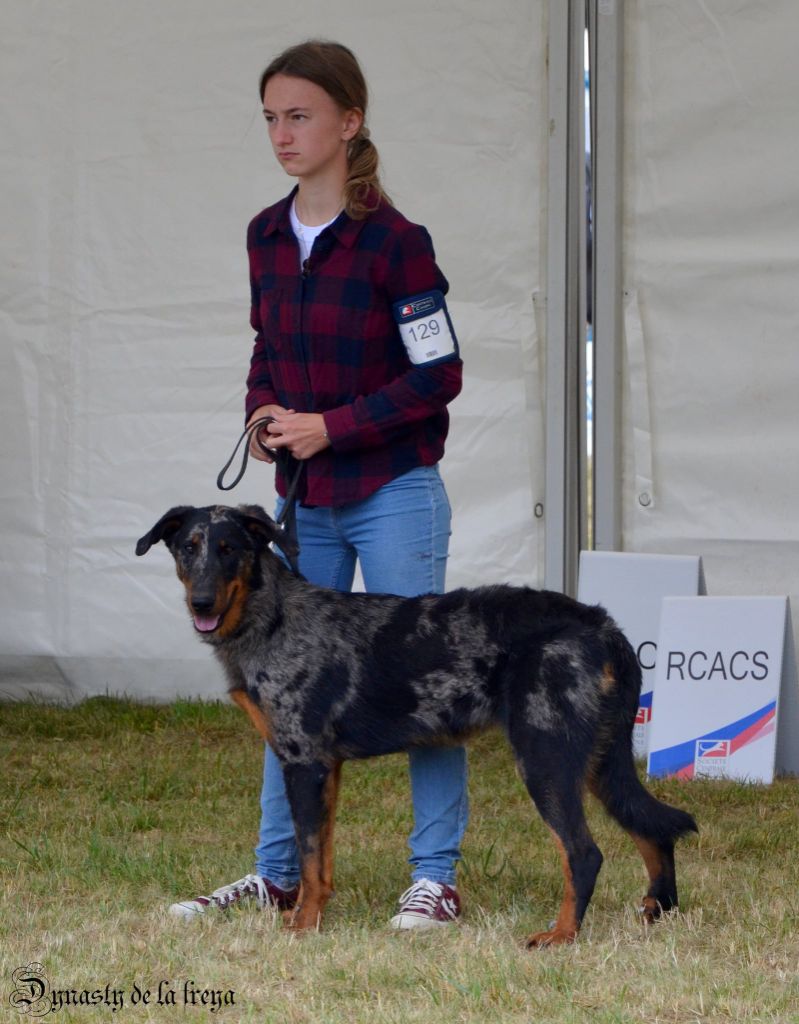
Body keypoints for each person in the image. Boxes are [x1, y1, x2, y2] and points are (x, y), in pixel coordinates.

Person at [170, 40, 467, 930]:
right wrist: (264, 410)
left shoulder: (396, 243)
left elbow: (439, 374)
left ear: (349, 121)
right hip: (303, 506)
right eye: (270, 117)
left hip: (394, 490)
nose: (281, 134)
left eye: (299, 116)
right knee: (281, 688)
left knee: (426, 685)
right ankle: (277, 875)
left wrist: (332, 426)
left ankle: (435, 878)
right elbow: (266, 348)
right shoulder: (265, 234)